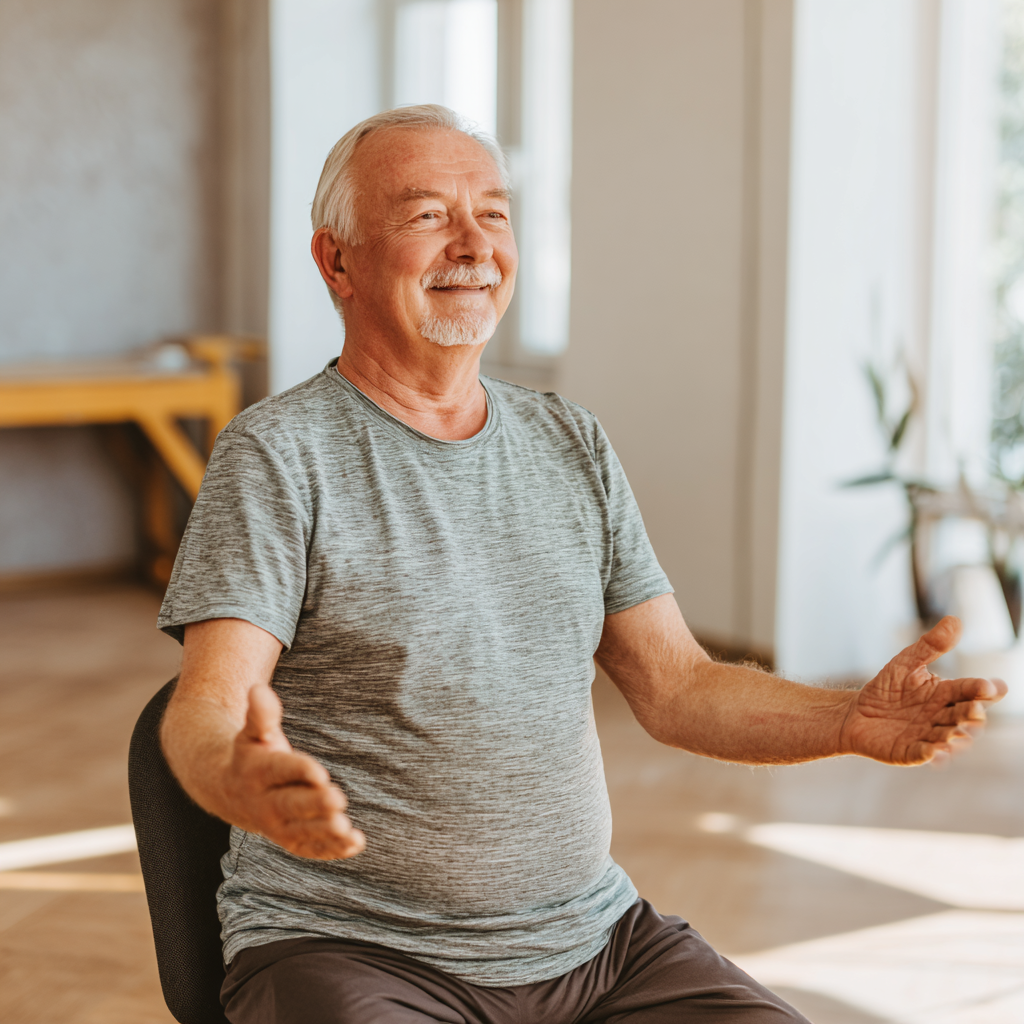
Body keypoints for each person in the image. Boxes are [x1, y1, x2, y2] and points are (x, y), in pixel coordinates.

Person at [157, 105, 1005, 1024]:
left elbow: (676, 687)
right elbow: (206, 706)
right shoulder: (279, 454)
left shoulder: (572, 443)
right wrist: (233, 780)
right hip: (357, 952)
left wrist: (848, 719)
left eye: (494, 212)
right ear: (337, 262)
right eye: (428, 216)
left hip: (601, 948)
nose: (473, 244)